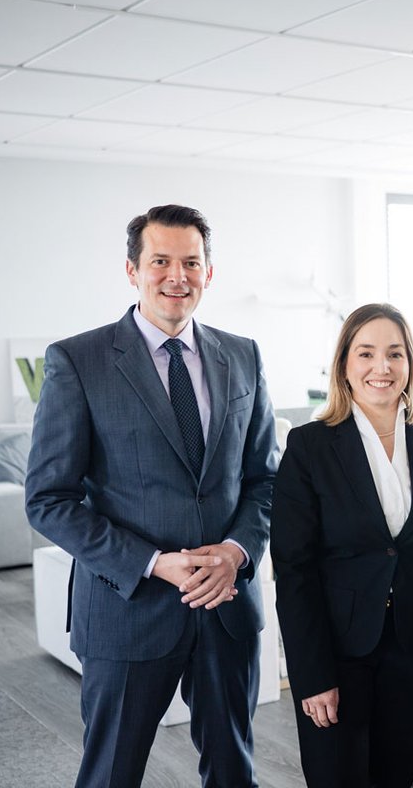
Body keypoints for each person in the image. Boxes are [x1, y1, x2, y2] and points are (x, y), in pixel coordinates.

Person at [25, 204, 278, 787]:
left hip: (226, 609)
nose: (176, 276)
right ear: (132, 270)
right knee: (111, 774)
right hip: (128, 608)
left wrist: (237, 552)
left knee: (234, 774)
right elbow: (48, 499)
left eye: (191, 262)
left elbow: (265, 480)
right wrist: (153, 562)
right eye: (160, 261)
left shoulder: (244, 356)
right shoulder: (78, 361)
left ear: (209, 272)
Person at [270, 303, 413, 787]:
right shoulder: (309, 446)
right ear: (345, 364)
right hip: (337, 651)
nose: (381, 367)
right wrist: (312, 674)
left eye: (394, 354)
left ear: (410, 363)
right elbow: (294, 569)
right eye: (365, 353)